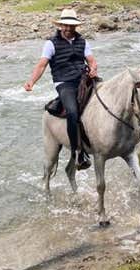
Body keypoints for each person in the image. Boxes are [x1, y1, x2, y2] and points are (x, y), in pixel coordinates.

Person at [24, 9, 98, 170]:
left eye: (71, 26)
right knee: (72, 111)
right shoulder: (51, 43)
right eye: (65, 25)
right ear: (60, 25)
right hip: (64, 82)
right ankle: (78, 153)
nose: (68, 29)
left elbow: (92, 61)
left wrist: (93, 69)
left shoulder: (83, 42)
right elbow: (42, 65)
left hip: (83, 79)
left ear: (75, 27)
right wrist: (32, 81)